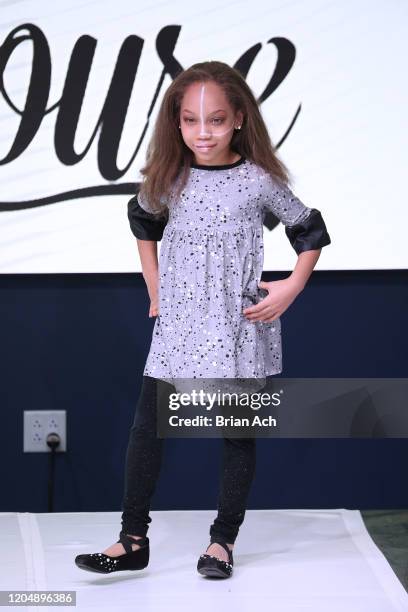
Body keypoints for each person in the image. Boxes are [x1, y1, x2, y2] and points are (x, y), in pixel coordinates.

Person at [75, 60, 331, 579]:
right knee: (148, 429)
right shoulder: (170, 177)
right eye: (190, 121)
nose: (203, 132)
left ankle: (222, 542)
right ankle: (132, 539)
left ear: (238, 118)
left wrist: (294, 284)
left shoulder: (259, 180)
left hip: (240, 322)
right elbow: (142, 219)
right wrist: (154, 283)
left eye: (215, 119)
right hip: (181, 325)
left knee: (236, 434)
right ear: (176, 123)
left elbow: (309, 229)